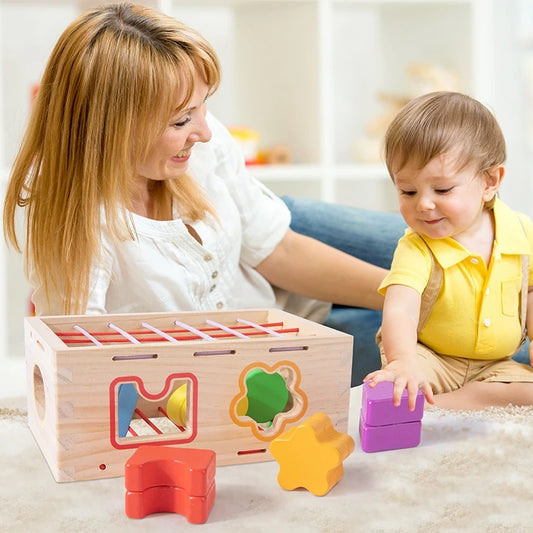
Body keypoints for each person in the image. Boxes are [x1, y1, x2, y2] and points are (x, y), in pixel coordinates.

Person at [2, 2, 405, 386]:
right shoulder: (73, 220)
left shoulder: (204, 148)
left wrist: (405, 298)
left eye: (202, 107)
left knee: (443, 264)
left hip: (271, 239)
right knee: (431, 344)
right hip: (253, 344)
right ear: (110, 128)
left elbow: (276, 251)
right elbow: (81, 369)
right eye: (180, 120)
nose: (206, 133)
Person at [364, 91, 533, 410]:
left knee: (526, 393)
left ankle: (460, 401)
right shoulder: (417, 246)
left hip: (496, 366)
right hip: (429, 357)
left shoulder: (521, 232)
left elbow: (531, 291)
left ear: (490, 181)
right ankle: (443, 400)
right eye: (408, 191)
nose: (424, 204)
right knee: (396, 391)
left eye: (442, 189)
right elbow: (400, 308)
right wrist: (403, 362)